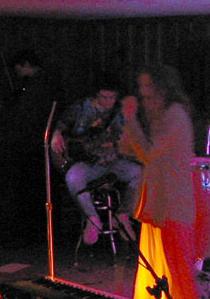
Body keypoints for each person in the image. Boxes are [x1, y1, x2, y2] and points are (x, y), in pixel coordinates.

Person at [119, 64, 210, 299]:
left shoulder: (175, 115)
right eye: (141, 88)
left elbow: (149, 153)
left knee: (178, 274)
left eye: (148, 87)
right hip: (157, 206)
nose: (143, 94)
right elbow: (143, 153)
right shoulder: (162, 116)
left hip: (172, 206)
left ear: (162, 88)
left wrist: (130, 120)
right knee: (151, 269)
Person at [51, 74, 142, 245]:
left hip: (113, 160)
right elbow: (60, 125)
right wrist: (56, 134)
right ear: (96, 95)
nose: (108, 101)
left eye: (112, 97)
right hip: (88, 162)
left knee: (139, 173)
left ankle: (123, 215)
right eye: (104, 97)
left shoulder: (121, 112)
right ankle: (92, 219)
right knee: (73, 177)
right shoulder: (81, 108)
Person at [0, 49, 60, 244]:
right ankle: (38, 232)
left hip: (33, 145)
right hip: (36, 144)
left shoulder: (37, 86)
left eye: (19, 68)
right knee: (37, 188)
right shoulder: (39, 83)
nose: (17, 73)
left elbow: (27, 113)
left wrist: (5, 111)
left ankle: (34, 233)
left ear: (26, 65)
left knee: (32, 188)